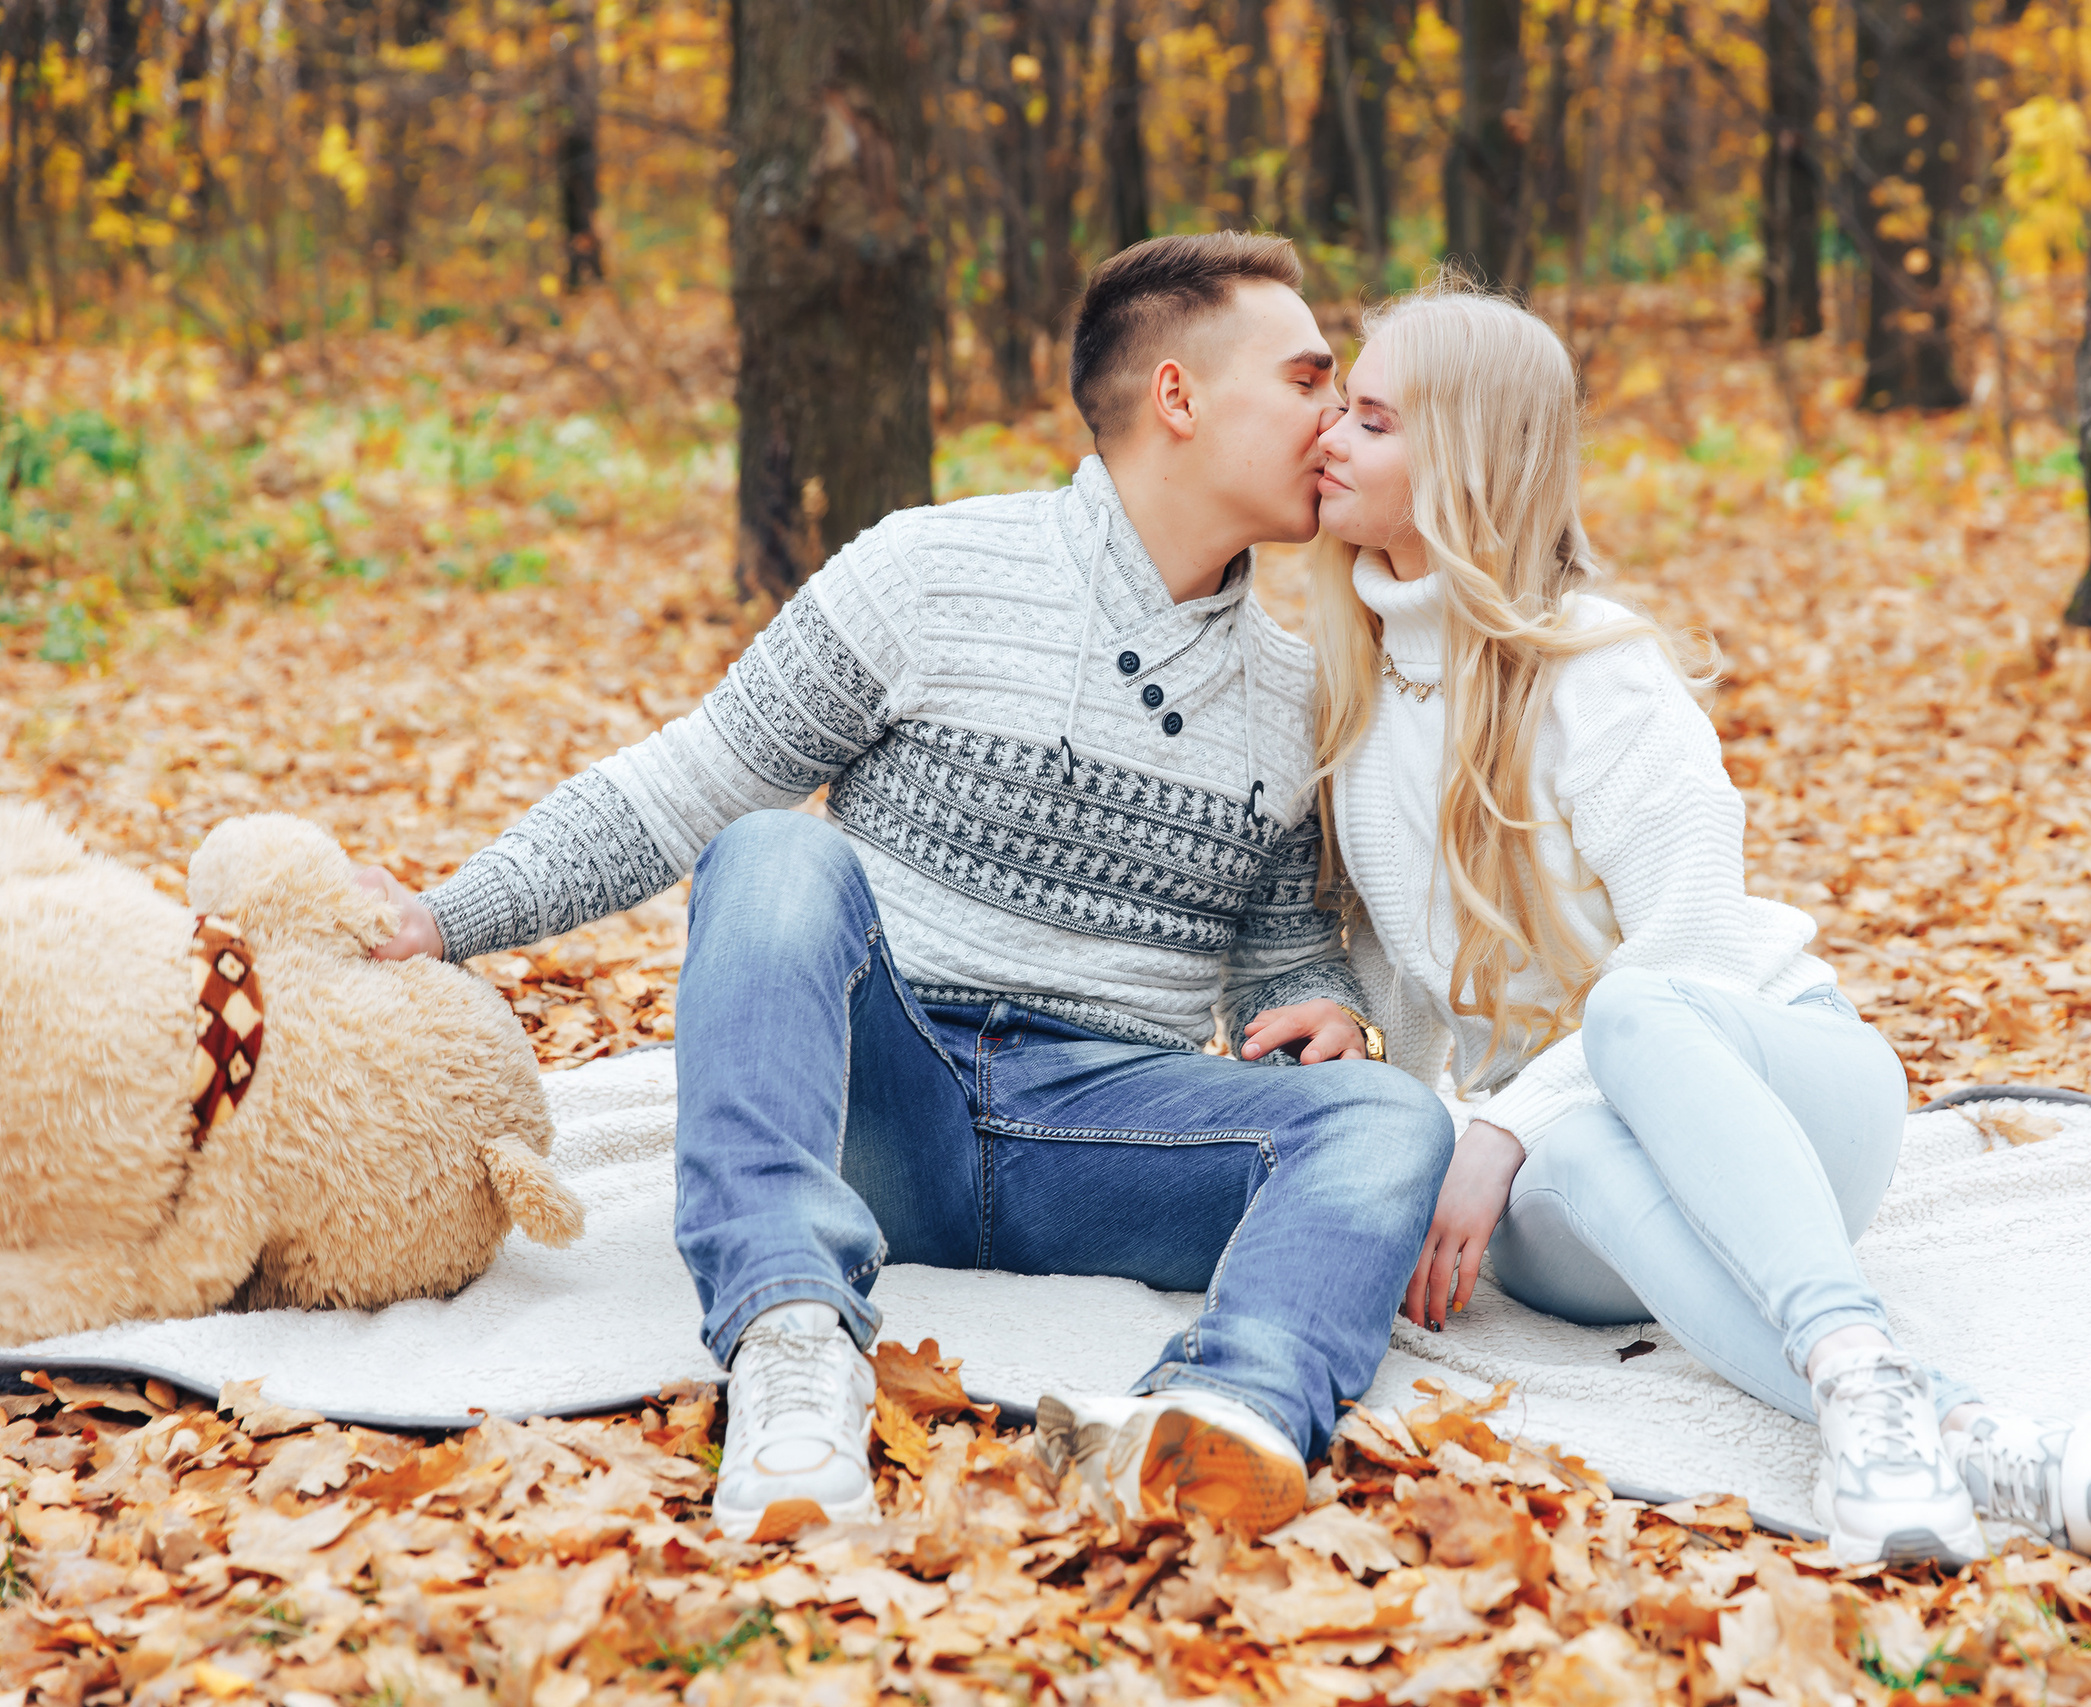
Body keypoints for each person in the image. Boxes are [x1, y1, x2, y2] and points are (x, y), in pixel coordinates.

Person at [360, 233, 1455, 1543]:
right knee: (773, 851)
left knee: (1389, 1118)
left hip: (1103, 1137)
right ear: (1180, 397)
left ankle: (1224, 1423)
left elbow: (1283, 952)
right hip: (882, 1096)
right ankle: (790, 1340)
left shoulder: (1295, 689)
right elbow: (683, 784)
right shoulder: (927, 573)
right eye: (1306, 378)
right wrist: (443, 915)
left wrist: (1321, 1002)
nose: (1336, 415)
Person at [1279, 277, 2091, 1568]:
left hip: (1782, 1097)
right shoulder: (1354, 688)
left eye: (1370, 419)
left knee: (1632, 1011)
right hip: (1571, 1186)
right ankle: (1971, 1437)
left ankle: (1864, 1369)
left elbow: (1687, 950)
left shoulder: (1596, 667)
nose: (1329, 441)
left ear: (1466, 459)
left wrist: (1501, 1128)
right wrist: (1409, 1124)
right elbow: (1405, 988)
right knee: (1577, 1146)